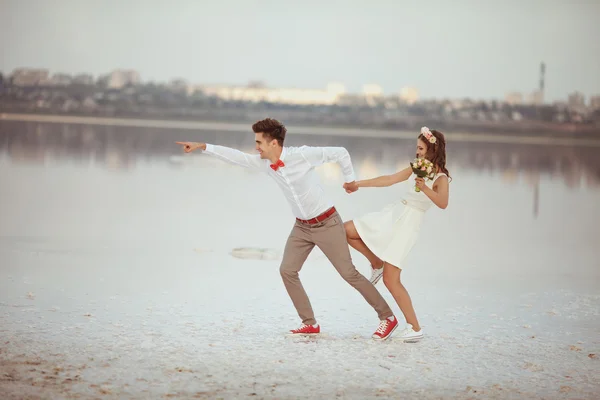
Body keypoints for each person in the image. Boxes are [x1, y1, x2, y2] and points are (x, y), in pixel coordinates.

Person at [175, 118, 399, 340]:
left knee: (348, 273)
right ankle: (309, 323)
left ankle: (387, 317)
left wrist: (350, 180)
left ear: (273, 143)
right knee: (287, 270)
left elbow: (340, 152)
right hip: (302, 227)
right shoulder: (264, 163)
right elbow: (238, 158)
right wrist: (203, 147)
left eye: (259, 143)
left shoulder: (300, 155)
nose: (256, 148)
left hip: (327, 223)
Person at [343, 126, 451, 342]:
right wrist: (358, 184)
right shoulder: (417, 166)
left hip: (409, 224)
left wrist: (425, 187)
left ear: (432, 149)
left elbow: (443, 203)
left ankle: (414, 327)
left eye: (421, 148)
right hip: (394, 213)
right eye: (417, 148)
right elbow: (389, 179)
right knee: (345, 230)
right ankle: (376, 263)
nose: (418, 151)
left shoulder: (441, 177)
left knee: (392, 281)